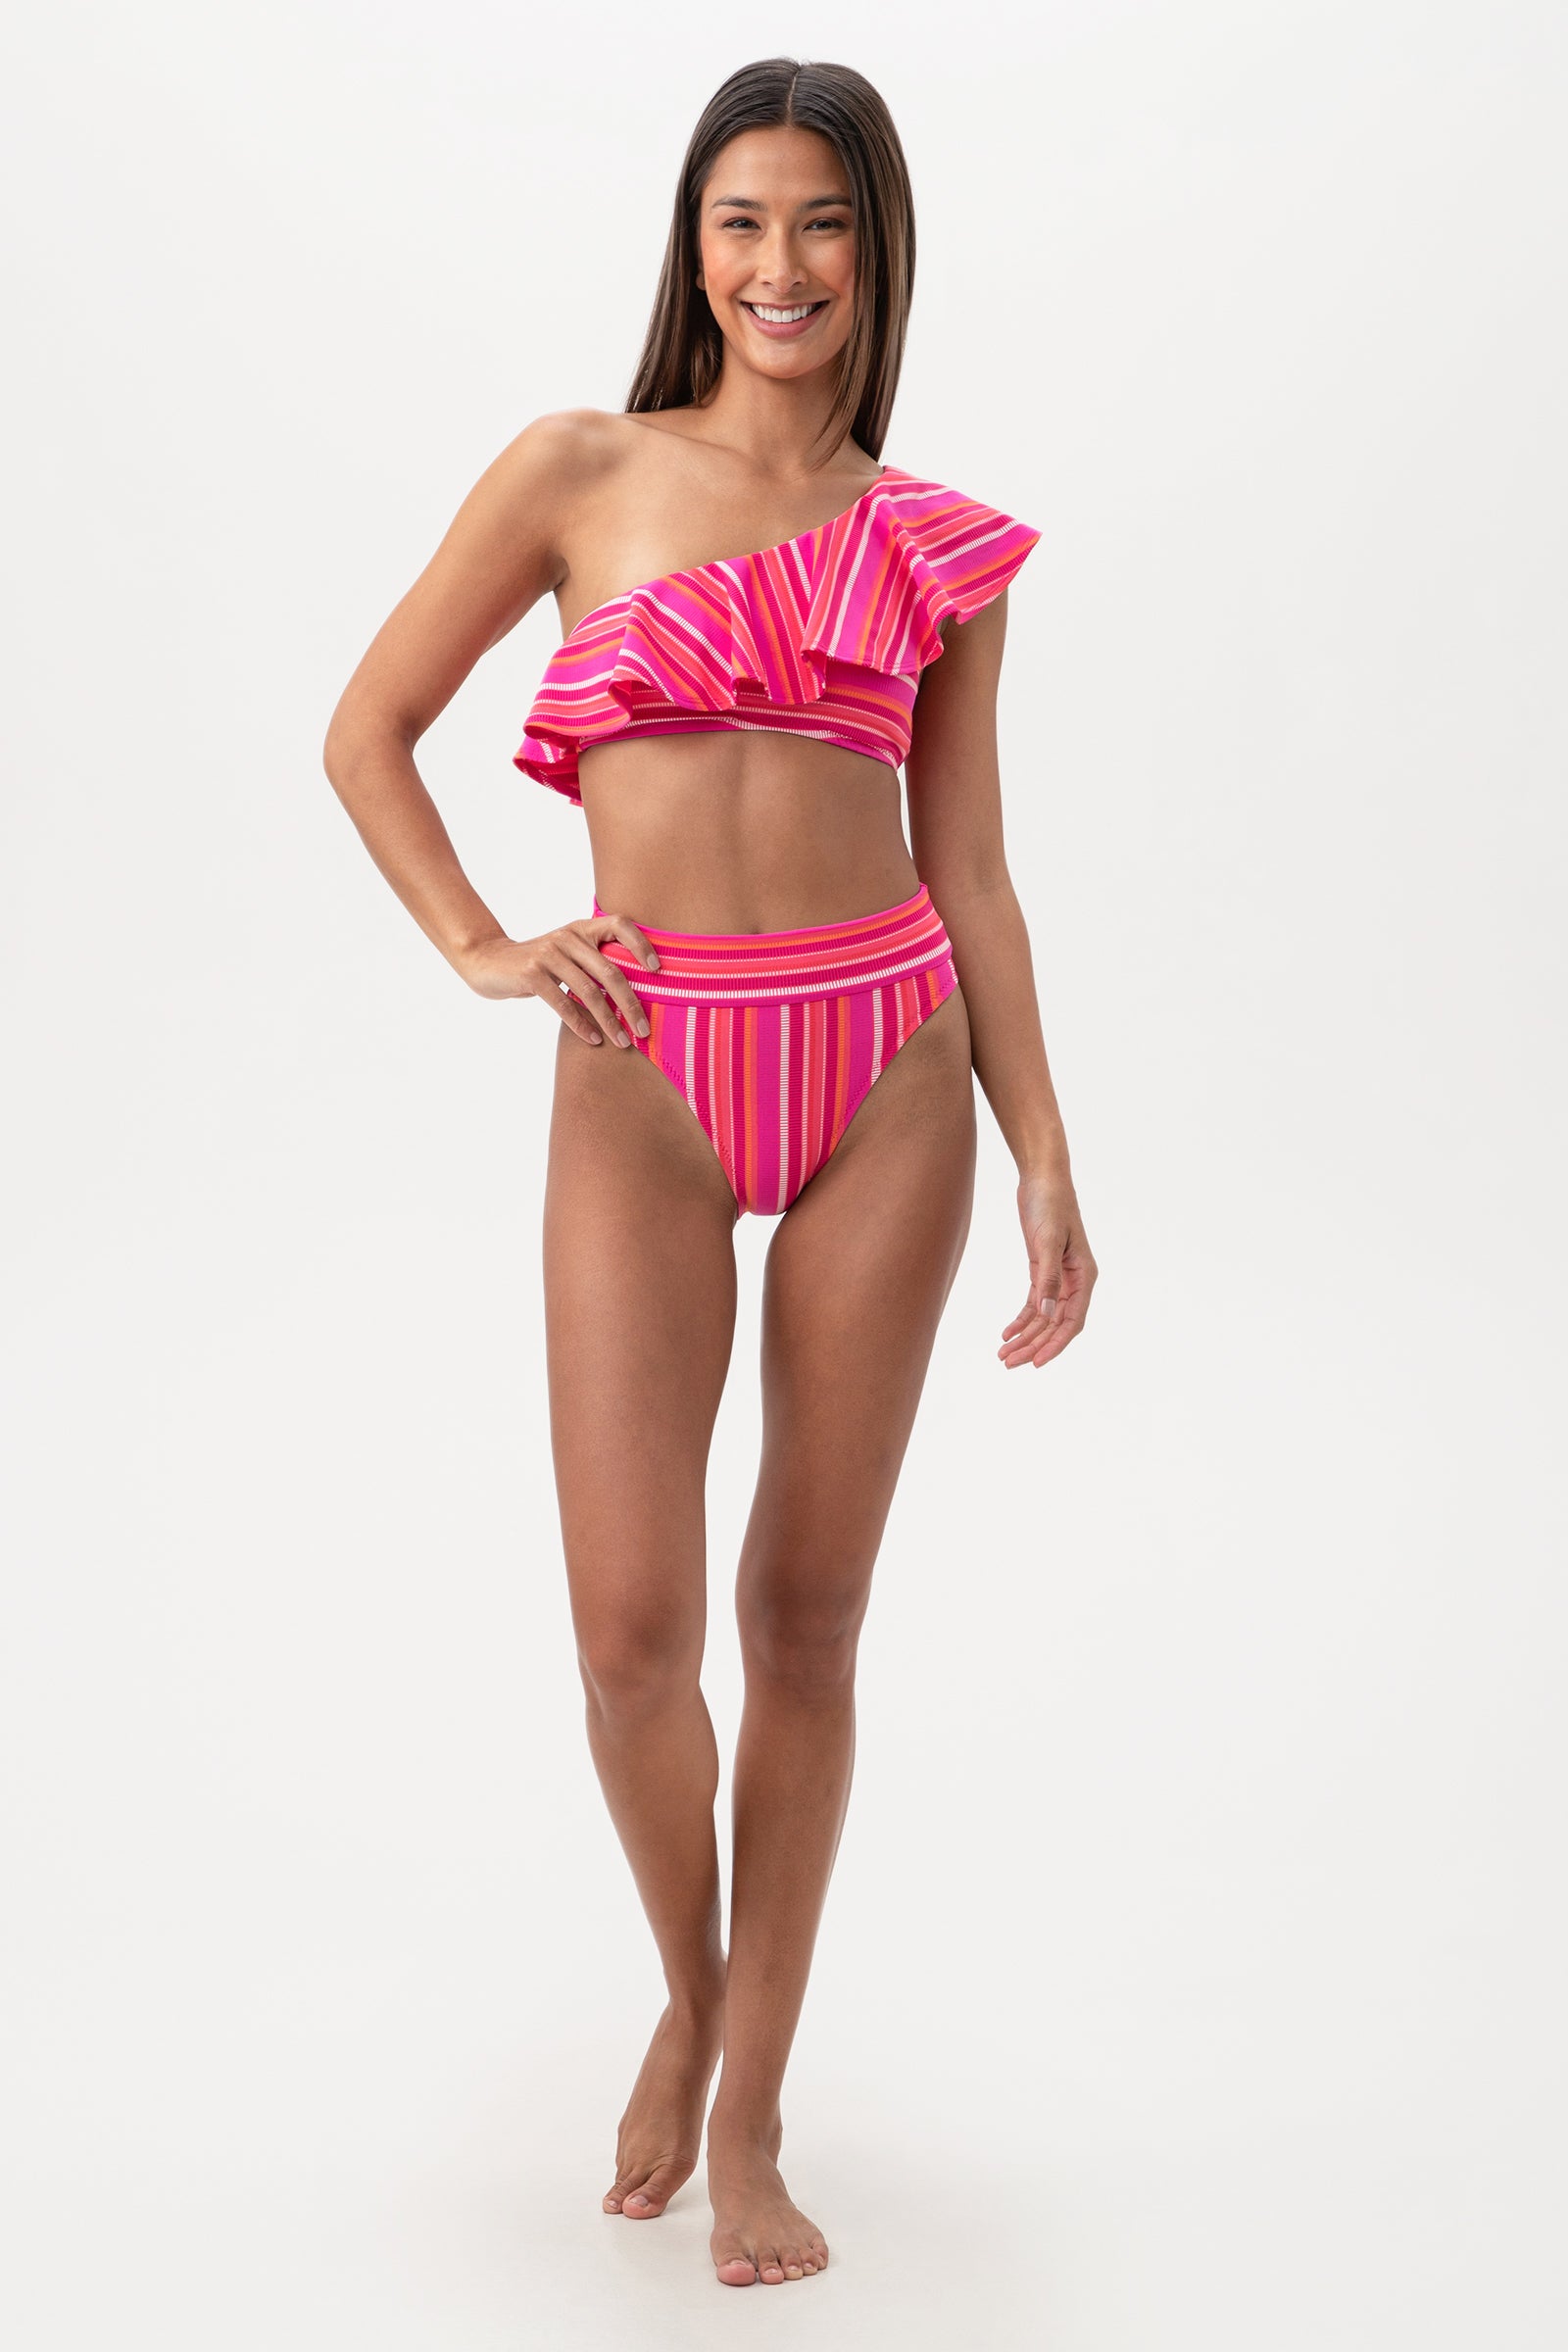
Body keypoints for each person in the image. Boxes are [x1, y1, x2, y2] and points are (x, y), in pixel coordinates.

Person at [323, 53, 1097, 2291]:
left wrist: (1046, 1149)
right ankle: (693, 1988)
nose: (781, 264)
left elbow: (972, 869)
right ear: (693, 241)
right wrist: (483, 943)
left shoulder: (931, 547)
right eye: (743, 219)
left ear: (877, 255)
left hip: (886, 1069)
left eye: (823, 223)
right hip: (642, 1073)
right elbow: (365, 729)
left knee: (803, 1622)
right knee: (631, 1638)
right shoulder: (578, 468)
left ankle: (751, 2098)